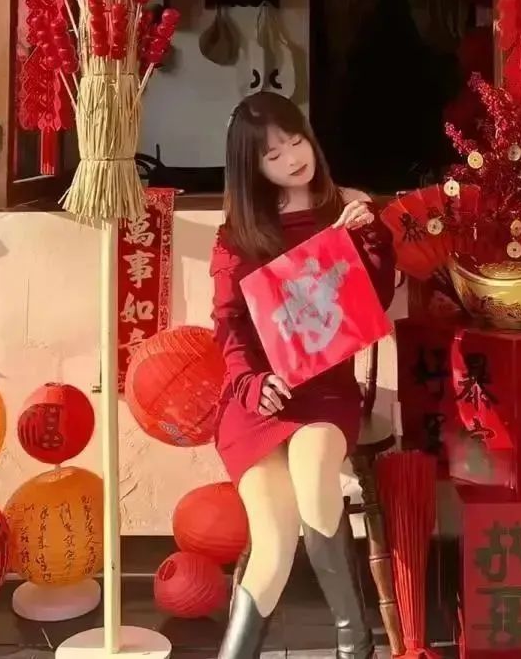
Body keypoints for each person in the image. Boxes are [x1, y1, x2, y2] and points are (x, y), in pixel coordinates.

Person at [209, 92, 395, 659]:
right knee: (272, 546)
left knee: (315, 479)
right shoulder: (239, 234)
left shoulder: (347, 206)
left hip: (325, 391)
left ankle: (353, 645)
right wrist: (250, 384)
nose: (292, 158)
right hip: (258, 401)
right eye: (273, 154)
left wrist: (368, 237)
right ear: (252, 168)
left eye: (296, 141)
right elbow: (228, 327)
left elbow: (372, 302)